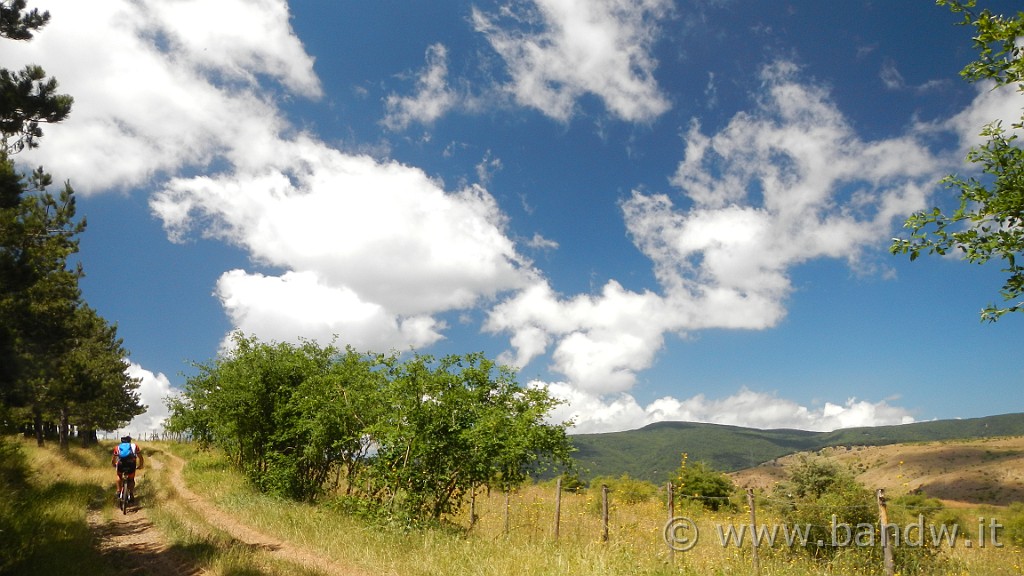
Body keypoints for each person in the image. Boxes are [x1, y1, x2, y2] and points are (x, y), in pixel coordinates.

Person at [112, 435, 144, 502]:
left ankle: (118, 492)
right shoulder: (135, 446)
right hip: (131, 464)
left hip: (121, 464)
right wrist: (140, 465)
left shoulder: (117, 447)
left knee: (119, 476)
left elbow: (114, 458)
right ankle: (131, 493)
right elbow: (140, 457)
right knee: (131, 479)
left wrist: (114, 464)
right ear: (129, 441)